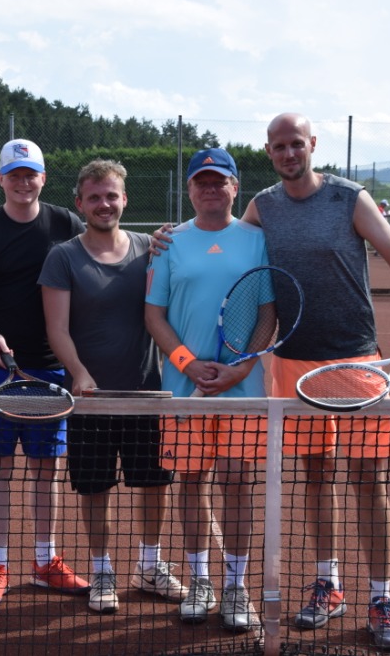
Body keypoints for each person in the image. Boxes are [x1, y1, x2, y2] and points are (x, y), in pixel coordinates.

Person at [241, 113, 390, 652]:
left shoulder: (348, 198)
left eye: (296, 144)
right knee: (316, 474)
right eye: (279, 147)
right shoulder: (261, 207)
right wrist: (167, 239)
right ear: (269, 151)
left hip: (358, 363)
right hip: (294, 364)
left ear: (312, 144)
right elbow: (229, 251)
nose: (289, 153)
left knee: (368, 479)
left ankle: (381, 598)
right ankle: (328, 585)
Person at [39, 159, 187, 614]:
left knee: (153, 483)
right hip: (90, 401)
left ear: (125, 199)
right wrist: (79, 373)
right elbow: (57, 329)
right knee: (95, 488)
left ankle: (149, 566)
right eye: (94, 197)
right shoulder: (63, 256)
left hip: (146, 394)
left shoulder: (150, 248)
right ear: (80, 203)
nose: (104, 204)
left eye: (111, 196)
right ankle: (102, 571)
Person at [144, 148, 267, 633]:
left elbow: (268, 314)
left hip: (243, 390)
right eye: (202, 181)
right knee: (191, 482)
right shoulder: (168, 243)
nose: (211, 189)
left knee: (236, 483)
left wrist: (241, 368)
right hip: (183, 390)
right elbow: (153, 315)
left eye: (220, 181)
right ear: (190, 189)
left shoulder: (257, 241)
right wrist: (188, 364)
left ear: (235, 188)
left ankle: (235, 586)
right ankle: (201, 582)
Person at [0, 138, 88, 608]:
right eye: (14, 175)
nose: (22, 182)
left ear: (43, 178)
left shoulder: (65, 222)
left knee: (45, 470)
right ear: (1, 179)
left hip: (50, 369)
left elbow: (98, 257)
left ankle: (45, 561)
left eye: (30, 174)